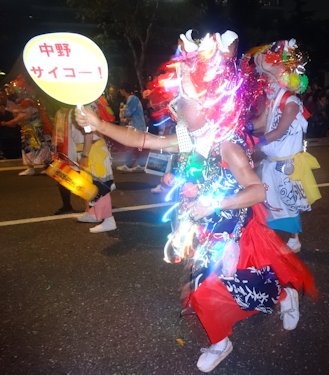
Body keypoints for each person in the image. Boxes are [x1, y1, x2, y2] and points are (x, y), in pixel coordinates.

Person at [75, 30, 316, 373]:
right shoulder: (191, 137)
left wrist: (214, 205)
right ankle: (235, 329)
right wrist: (99, 123)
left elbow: (258, 191)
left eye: (184, 101)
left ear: (208, 105)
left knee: (220, 287)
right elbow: (143, 139)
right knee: (228, 286)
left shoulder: (227, 145)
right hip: (203, 227)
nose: (176, 107)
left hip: (232, 231)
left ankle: (266, 308)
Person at [244, 39, 321, 253]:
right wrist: (244, 128)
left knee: (288, 202)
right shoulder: (273, 100)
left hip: (287, 164)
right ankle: (270, 238)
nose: (265, 82)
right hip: (271, 162)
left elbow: (279, 131)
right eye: (264, 78)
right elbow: (261, 123)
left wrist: (255, 142)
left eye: (268, 78)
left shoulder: (292, 103)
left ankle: (294, 240)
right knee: (268, 200)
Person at [51, 97, 117, 232]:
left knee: (100, 187)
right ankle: (93, 214)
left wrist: (85, 155)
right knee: (90, 186)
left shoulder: (82, 106)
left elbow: (89, 133)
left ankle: (109, 220)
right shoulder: (79, 105)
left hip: (92, 150)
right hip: (88, 149)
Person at [117, 83, 147, 171]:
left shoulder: (132, 98)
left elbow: (128, 113)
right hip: (138, 126)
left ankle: (128, 165)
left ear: (123, 90)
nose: (120, 92)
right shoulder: (132, 98)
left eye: (121, 90)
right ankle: (140, 165)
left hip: (137, 126)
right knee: (138, 147)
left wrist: (123, 111)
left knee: (131, 146)